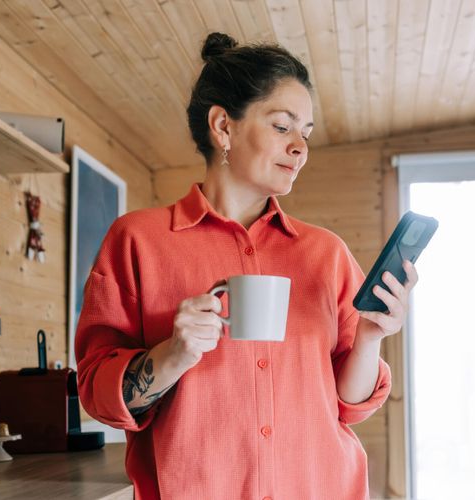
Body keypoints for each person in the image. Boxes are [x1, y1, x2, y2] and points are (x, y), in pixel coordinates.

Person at [75, 32, 418, 500]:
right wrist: (174, 353)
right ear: (223, 127)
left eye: (307, 133)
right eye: (282, 126)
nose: (301, 147)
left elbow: (350, 407)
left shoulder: (327, 253)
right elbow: (98, 394)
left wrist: (370, 339)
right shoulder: (137, 241)